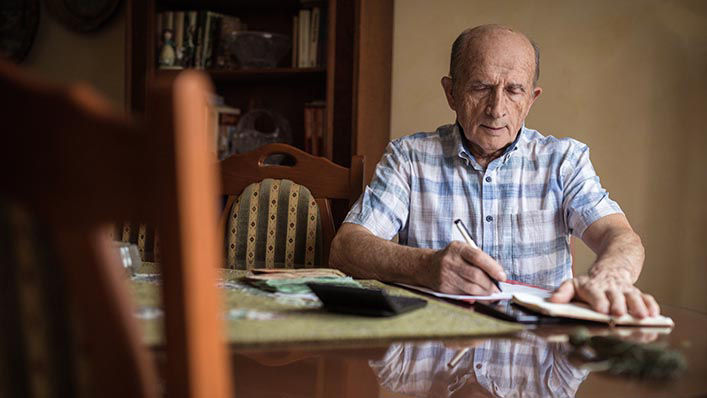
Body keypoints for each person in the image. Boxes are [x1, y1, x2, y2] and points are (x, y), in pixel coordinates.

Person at [329, 24, 660, 318]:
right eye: (480, 87)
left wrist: (610, 276)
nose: (497, 108)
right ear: (451, 93)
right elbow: (346, 247)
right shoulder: (409, 157)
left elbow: (621, 237)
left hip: (537, 356)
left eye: (514, 90)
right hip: (432, 349)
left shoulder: (564, 161)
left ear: (531, 99)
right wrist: (425, 266)